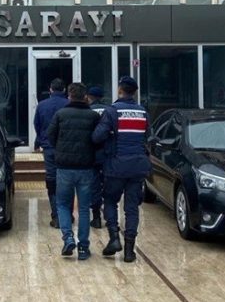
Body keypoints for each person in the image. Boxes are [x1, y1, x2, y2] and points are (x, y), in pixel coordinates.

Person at [92, 76, 151, 263]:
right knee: (132, 208)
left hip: (116, 166)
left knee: (110, 201)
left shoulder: (112, 111)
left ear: (120, 90)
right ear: (134, 92)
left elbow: (97, 137)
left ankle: (114, 238)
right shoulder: (143, 112)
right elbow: (148, 137)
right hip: (138, 167)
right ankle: (129, 251)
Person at [47, 83, 101, 260]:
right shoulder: (93, 116)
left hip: (64, 167)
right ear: (85, 97)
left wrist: (60, 150)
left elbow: (50, 136)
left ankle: (68, 238)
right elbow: (98, 139)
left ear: (69, 96)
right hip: (86, 167)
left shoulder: (60, 114)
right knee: (84, 208)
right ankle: (83, 247)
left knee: (63, 204)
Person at [33, 78, 69, 228]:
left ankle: (56, 215)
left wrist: (40, 141)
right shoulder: (69, 104)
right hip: (66, 148)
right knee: (66, 180)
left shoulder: (42, 105)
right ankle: (66, 214)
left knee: (52, 180)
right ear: (64, 90)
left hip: (49, 148)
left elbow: (37, 125)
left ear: (50, 89)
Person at [87, 86, 108, 228]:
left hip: (92, 154)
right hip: (108, 154)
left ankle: (96, 218)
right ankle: (110, 216)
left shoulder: (87, 111)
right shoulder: (109, 110)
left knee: (94, 186)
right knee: (108, 185)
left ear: (89, 97)